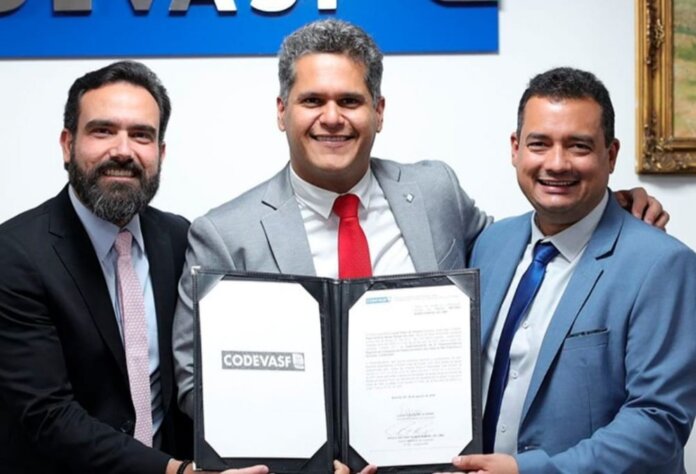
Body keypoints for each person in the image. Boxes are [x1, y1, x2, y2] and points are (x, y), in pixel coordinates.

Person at [0, 61, 267, 474]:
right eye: (103, 131)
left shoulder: (180, 238)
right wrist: (175, 472)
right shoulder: (15, 253)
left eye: (141, 135)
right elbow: (47, 415)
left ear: (160, 153)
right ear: (67, 145)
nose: (123, 151)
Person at [445, 67, 696, 474]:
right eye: (539, 144)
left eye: (578, 146)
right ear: (515, 149)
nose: (557, 164)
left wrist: (528, 472)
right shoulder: (491, 244)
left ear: (610, 155)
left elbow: (658, 420)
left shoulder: (663, 264)